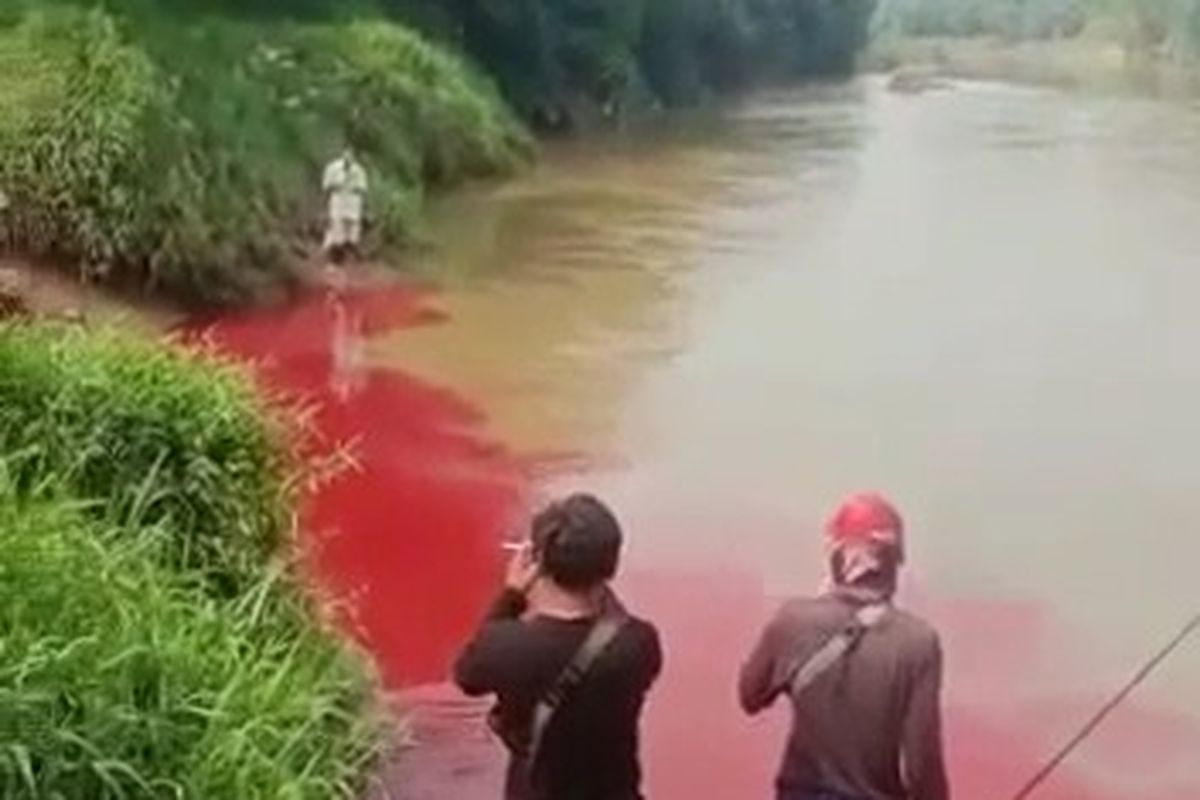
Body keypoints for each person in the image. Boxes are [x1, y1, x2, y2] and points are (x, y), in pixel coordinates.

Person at [739, 493, 949, 800]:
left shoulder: (792, 620)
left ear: (835, 556)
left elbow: (749, 696)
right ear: (894, 561)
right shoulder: (918, 642)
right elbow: (921, 763)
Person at [454, 494, 663, 800]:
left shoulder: (507, 647)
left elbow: (466, 675)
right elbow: (613, 618)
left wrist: (512, 595)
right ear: (611, 567)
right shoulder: (639, 644)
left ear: (538, 564)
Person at [322, 147, 368, 263]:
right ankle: (334, 256)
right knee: (336, 227)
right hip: (338, 200)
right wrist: (337, 186)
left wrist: (352, 188)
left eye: (351, 156)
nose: (348, 159)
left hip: (352, 201)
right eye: (346, 155)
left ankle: (350, 253)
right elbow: (326, 186)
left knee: (352, 229)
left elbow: (362, 188)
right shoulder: (333, 168)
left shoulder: (359, 170)